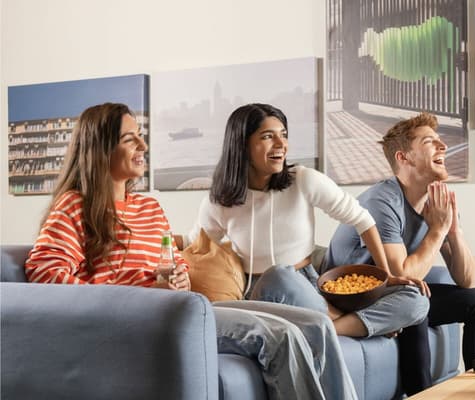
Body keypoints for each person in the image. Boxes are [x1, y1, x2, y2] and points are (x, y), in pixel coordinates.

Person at [24, 102, 356, 400]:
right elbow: (45, 275)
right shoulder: (73, 206)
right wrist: (134, 296)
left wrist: (177, 278)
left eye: (140, 136)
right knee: (279, 336)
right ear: (101, 148)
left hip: (180, 307)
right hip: (140, 319)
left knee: (315, 323)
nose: (143, 145)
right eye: (130, 139)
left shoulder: (149, 208)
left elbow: (167, 266)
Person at [183, 103, 430, 341]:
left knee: (415, 299)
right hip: (261, 291)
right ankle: (352, 323)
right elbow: (196, 246)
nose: (281, 144)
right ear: (242, 144)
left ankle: (332, 326)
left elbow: (362, 219)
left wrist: (386, 274)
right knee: (279, 274)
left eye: (284, 135)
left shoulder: (302, 180)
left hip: (309, 282)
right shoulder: (221, 200)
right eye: (268, 136)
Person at [324, 112, 475, 382]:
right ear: (403, 158)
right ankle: (421, 394)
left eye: (440, 141)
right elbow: (401, 274)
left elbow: (467, 279)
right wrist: (438, 230)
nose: (443, 146)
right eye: (430, 142)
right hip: (351, 297)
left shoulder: (435, 201)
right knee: (415, 299)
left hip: (392, 292)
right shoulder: (382, 201)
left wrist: (453, 230)